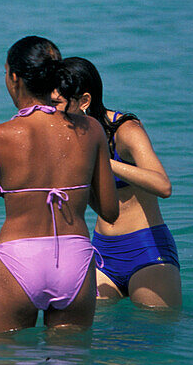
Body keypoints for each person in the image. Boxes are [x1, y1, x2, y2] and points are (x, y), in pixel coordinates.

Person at [0, 36, 118, 334]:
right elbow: (109, 211)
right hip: (75, 259)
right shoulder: (90, 129)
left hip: (20, 261)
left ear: (15, 79)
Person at [54, 57, 180, 309]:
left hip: (147, 252)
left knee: (152, 335)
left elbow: (163, 185)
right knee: (95, 339)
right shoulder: (69, 135)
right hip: (102, 252)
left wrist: (104, 162)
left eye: (56, 103)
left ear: (84, 101)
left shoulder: (125, 130)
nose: (51, 110)